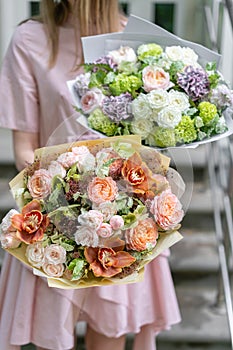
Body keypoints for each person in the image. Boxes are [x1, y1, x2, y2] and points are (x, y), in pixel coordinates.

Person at [0, 1, 181, 349]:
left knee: (112, 329)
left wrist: (119, 200)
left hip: (126, 218)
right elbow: (24, 149)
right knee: (51, 332)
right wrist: (73, 193)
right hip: (56, 216)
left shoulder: (137, 41)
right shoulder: (30, 39)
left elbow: (150, 141)